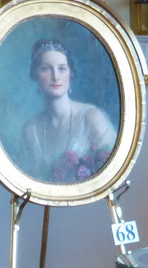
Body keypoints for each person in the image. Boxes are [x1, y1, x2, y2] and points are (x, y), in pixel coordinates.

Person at [16, 37, 118, 183]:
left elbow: (112, 170)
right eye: (46, 68)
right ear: (36, 75)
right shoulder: (31, 130)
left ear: (70, 74)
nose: (56, 76)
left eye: (62, 69)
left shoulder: (91, 117)